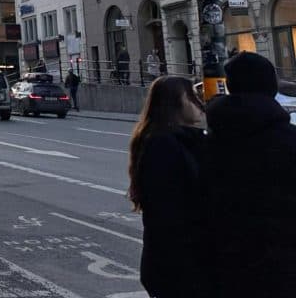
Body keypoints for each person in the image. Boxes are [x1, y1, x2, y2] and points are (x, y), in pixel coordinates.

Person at [204, 52, 296, 295]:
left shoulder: (208, 144)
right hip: (285, 267)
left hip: (226, 265)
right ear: (271, 87)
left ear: (230, 86)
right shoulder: (289, 141)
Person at [127, 75, 208, 298]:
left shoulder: (180, 140)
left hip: (179, 261)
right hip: (178, 264)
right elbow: (168, 211)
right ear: (175, 104)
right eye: (191, 96)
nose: (199, 102)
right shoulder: (162, 144)